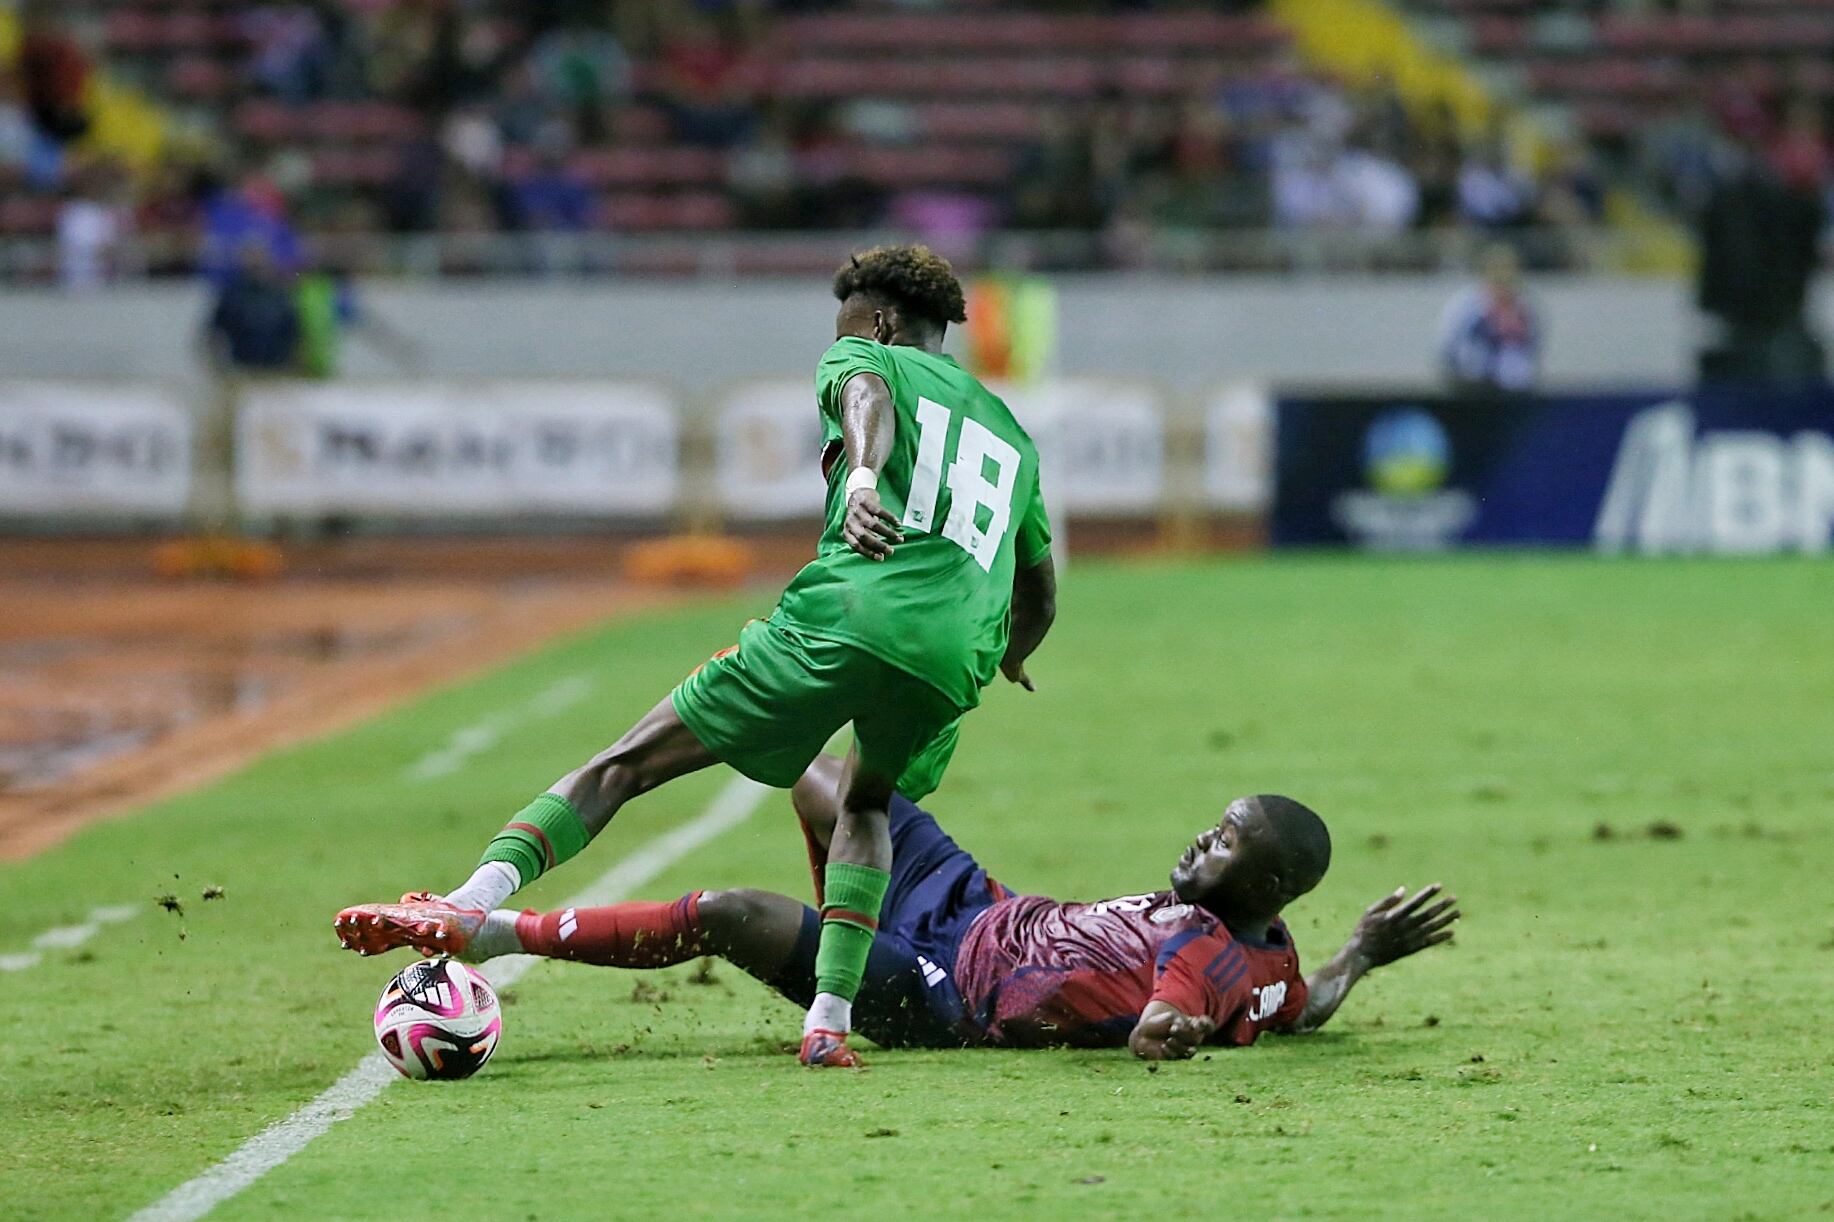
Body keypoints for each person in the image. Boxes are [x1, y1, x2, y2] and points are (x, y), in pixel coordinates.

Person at [336, 245, 1059, 1069]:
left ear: (883, 322)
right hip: (953, 657)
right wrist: (1012, 655)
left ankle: (473, 903)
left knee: (629, 762)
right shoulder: (1015, 435)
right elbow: (1039, 590)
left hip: (851, 614)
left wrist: (862, 481)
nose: (841, 341)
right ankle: (826, 1022)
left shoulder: (863, 353)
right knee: (866, 804)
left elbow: (864, 393)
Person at [441, 754, 1461, 1058]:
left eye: (1228, 839)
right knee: (833, 782)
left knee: (728, 910)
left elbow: (1169, 1011)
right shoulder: (1271, 963)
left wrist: (1165, 1034)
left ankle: (493, 931)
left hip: (942, 995)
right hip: (981, 910)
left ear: (1268, 882)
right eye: (1215, 820)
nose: (1204, 838)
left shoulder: (1205, 953)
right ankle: (846, 914)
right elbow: (1303, 1005)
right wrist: (1362, 955)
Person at [1439, 243, 1540, 396]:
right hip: (1474, 389)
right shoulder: (1467, 306)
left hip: (1517, 390)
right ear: (1485, 271)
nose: (1503, 274)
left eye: (1509, 268)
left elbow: (1534, 345)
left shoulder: (1526, 307)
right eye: (1497, 268)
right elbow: (1446, 346)